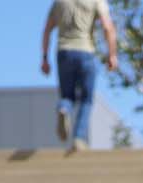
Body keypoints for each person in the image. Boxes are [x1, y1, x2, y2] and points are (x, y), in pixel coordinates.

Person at [41, 0, 117, 151]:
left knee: (67, 96)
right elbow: (107, 27)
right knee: (86, 99)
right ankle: (79, 138)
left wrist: (44, 58)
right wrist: (112, 55)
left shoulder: (59, 2)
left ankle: (63, 108)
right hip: (86, 52)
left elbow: (47, 30)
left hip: (64, 52)